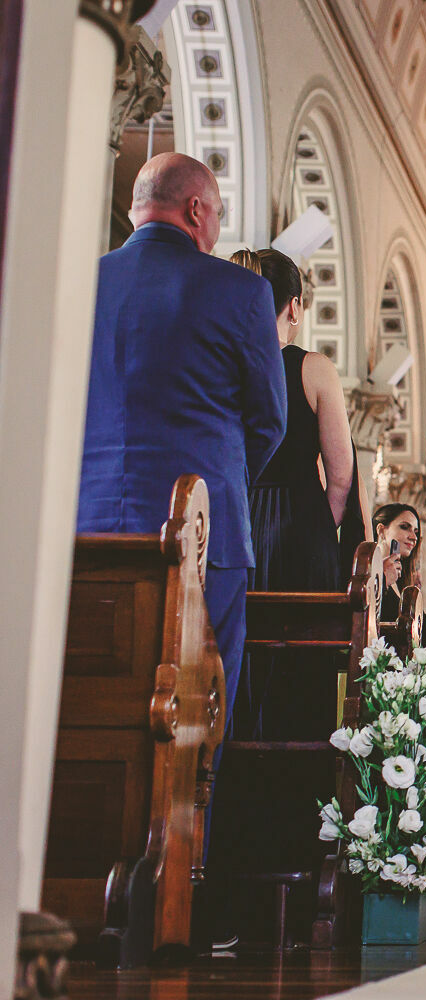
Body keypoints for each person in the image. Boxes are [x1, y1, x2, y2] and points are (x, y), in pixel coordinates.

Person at [77, 153, 286, 735]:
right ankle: (187, 830)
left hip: (87, 529)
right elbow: (269, 420)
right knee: (196, 723)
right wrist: (225, 487)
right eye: (216, 214)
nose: (216, 230)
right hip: (202, 538)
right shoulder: (243, 292)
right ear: (196, 209)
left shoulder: (81, 282)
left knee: (92, 708)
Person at [232, 248, 352, 591]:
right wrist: (316, 531)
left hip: (232, 520)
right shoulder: (314, 369)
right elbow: (341, 477)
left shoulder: (220, 363)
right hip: (299, 525)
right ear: (295, 307)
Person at [370, 502, 426, 647]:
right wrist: (383, 579)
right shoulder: (367, 570)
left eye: (416, 531)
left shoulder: (403, 580)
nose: (413, 537)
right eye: (405, 527)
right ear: (381, 530)